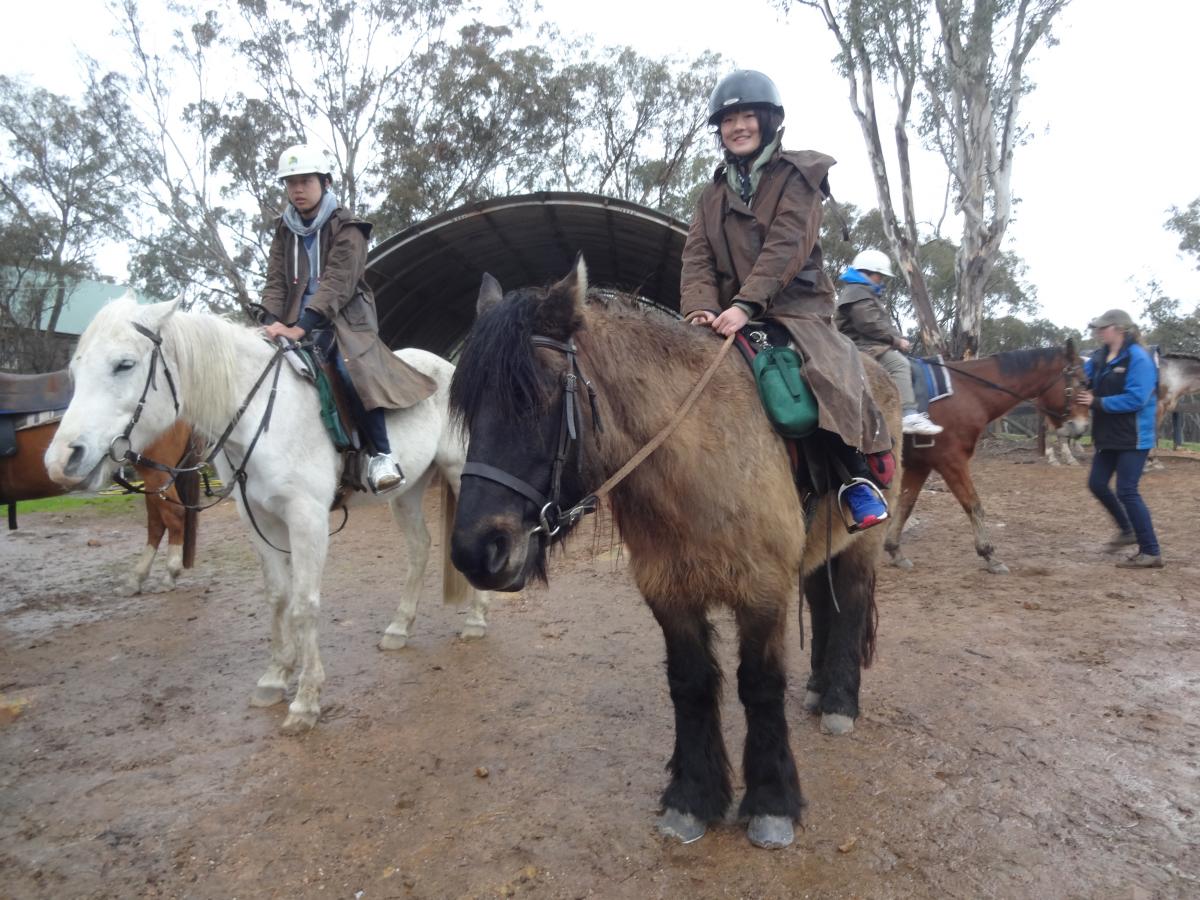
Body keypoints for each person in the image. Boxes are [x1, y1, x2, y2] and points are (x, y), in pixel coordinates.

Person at [680, 70, 892, 531]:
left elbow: (785, 248)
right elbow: (696, 256)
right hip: (728, 310)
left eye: (746, 116)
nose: (737, 126)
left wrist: (745, 306)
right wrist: (701, 307)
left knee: (814, 374)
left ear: (769, 120)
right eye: (728, 119)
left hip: (796, 307)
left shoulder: (800, 175)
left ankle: (852, 476)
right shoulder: (710, 196)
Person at [260, 142, 435, 493]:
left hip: (343, 323)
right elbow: (276, 281)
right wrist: (269, 319)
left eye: (305, 181)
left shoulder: (350, 228)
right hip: (294, 322)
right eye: (290, 182)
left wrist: (300, 327)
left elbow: (337, 285)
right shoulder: (284, 229)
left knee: (345, 369)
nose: (297, 189)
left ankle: (381, 455)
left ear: (324, 183)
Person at [1076, 308, 1163, 568]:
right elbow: (1084, 378)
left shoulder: (1139, 358)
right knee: (1097, 484)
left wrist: (1097, 401)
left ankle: (1151, 551)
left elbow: (1137, 398)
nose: (1099, 331)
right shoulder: (1099, 356)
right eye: (1098, 327)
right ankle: (1127, 530)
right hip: (1108, 434)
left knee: (1127, 490)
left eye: (1104, 327)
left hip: (1134, 435)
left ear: (1120, 329)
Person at [836, 249, 942, 436]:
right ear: (870, 273)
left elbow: (879, 323)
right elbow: (868, 324)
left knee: (911, 363)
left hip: (867, 344)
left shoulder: (861, 291)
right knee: (899, 364)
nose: (882, 280)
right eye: (880, 276)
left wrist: (898, 339)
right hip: (857, 347)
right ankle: (908, 415)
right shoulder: (857, 292)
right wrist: (895, 340)